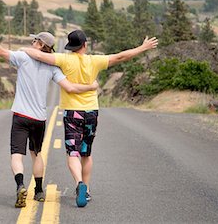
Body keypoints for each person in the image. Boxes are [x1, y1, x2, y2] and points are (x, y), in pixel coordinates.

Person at [0, 18, 98, 209]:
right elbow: (70, 88)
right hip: (39, 119)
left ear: (40, 44)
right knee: (36, 154)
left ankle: (21, 185)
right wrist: (91, 86)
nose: (31, 43)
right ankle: (38, 191)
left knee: (16, 154)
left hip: (21, 115)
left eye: (34, 40)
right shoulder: (52, 67)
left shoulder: (23, 57)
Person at [21, 29, 158, 207]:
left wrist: (23, 50)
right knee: (86, 153)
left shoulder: (64, 59)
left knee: (73, 153)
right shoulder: (95, 61)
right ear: (85, 44)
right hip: (91, 111)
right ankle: (86, 188)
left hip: (72, 112)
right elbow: (120, 57)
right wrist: (142, 48)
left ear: (70, 46)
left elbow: (39, 56)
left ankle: (79, 183)